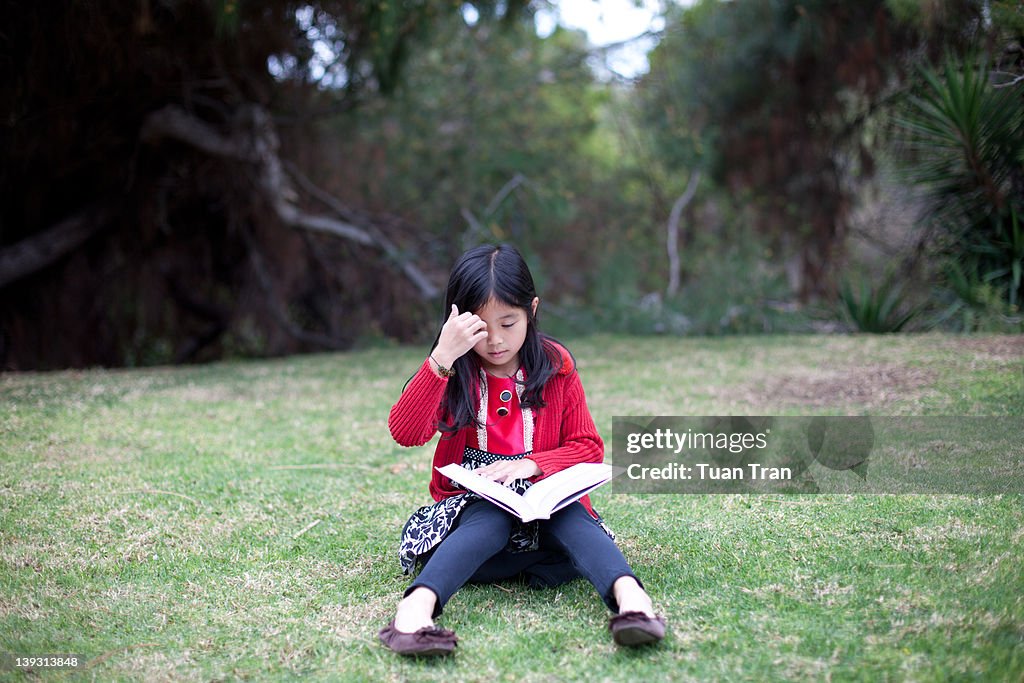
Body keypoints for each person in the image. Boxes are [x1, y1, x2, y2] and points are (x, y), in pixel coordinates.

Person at [378, 243, 666, 656]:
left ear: (532, 310)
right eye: (480, 327)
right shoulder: (454, 369)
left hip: (543, 497)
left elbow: (587, 447)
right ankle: (413, 614)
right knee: (489, 523)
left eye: (509, 323)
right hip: (476, 501)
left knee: (572, 520)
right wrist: (442, 356)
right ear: (456, 322)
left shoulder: (555, 364)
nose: (495, 341)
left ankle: (635, 606)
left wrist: (530, 465)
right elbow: (405, 432)